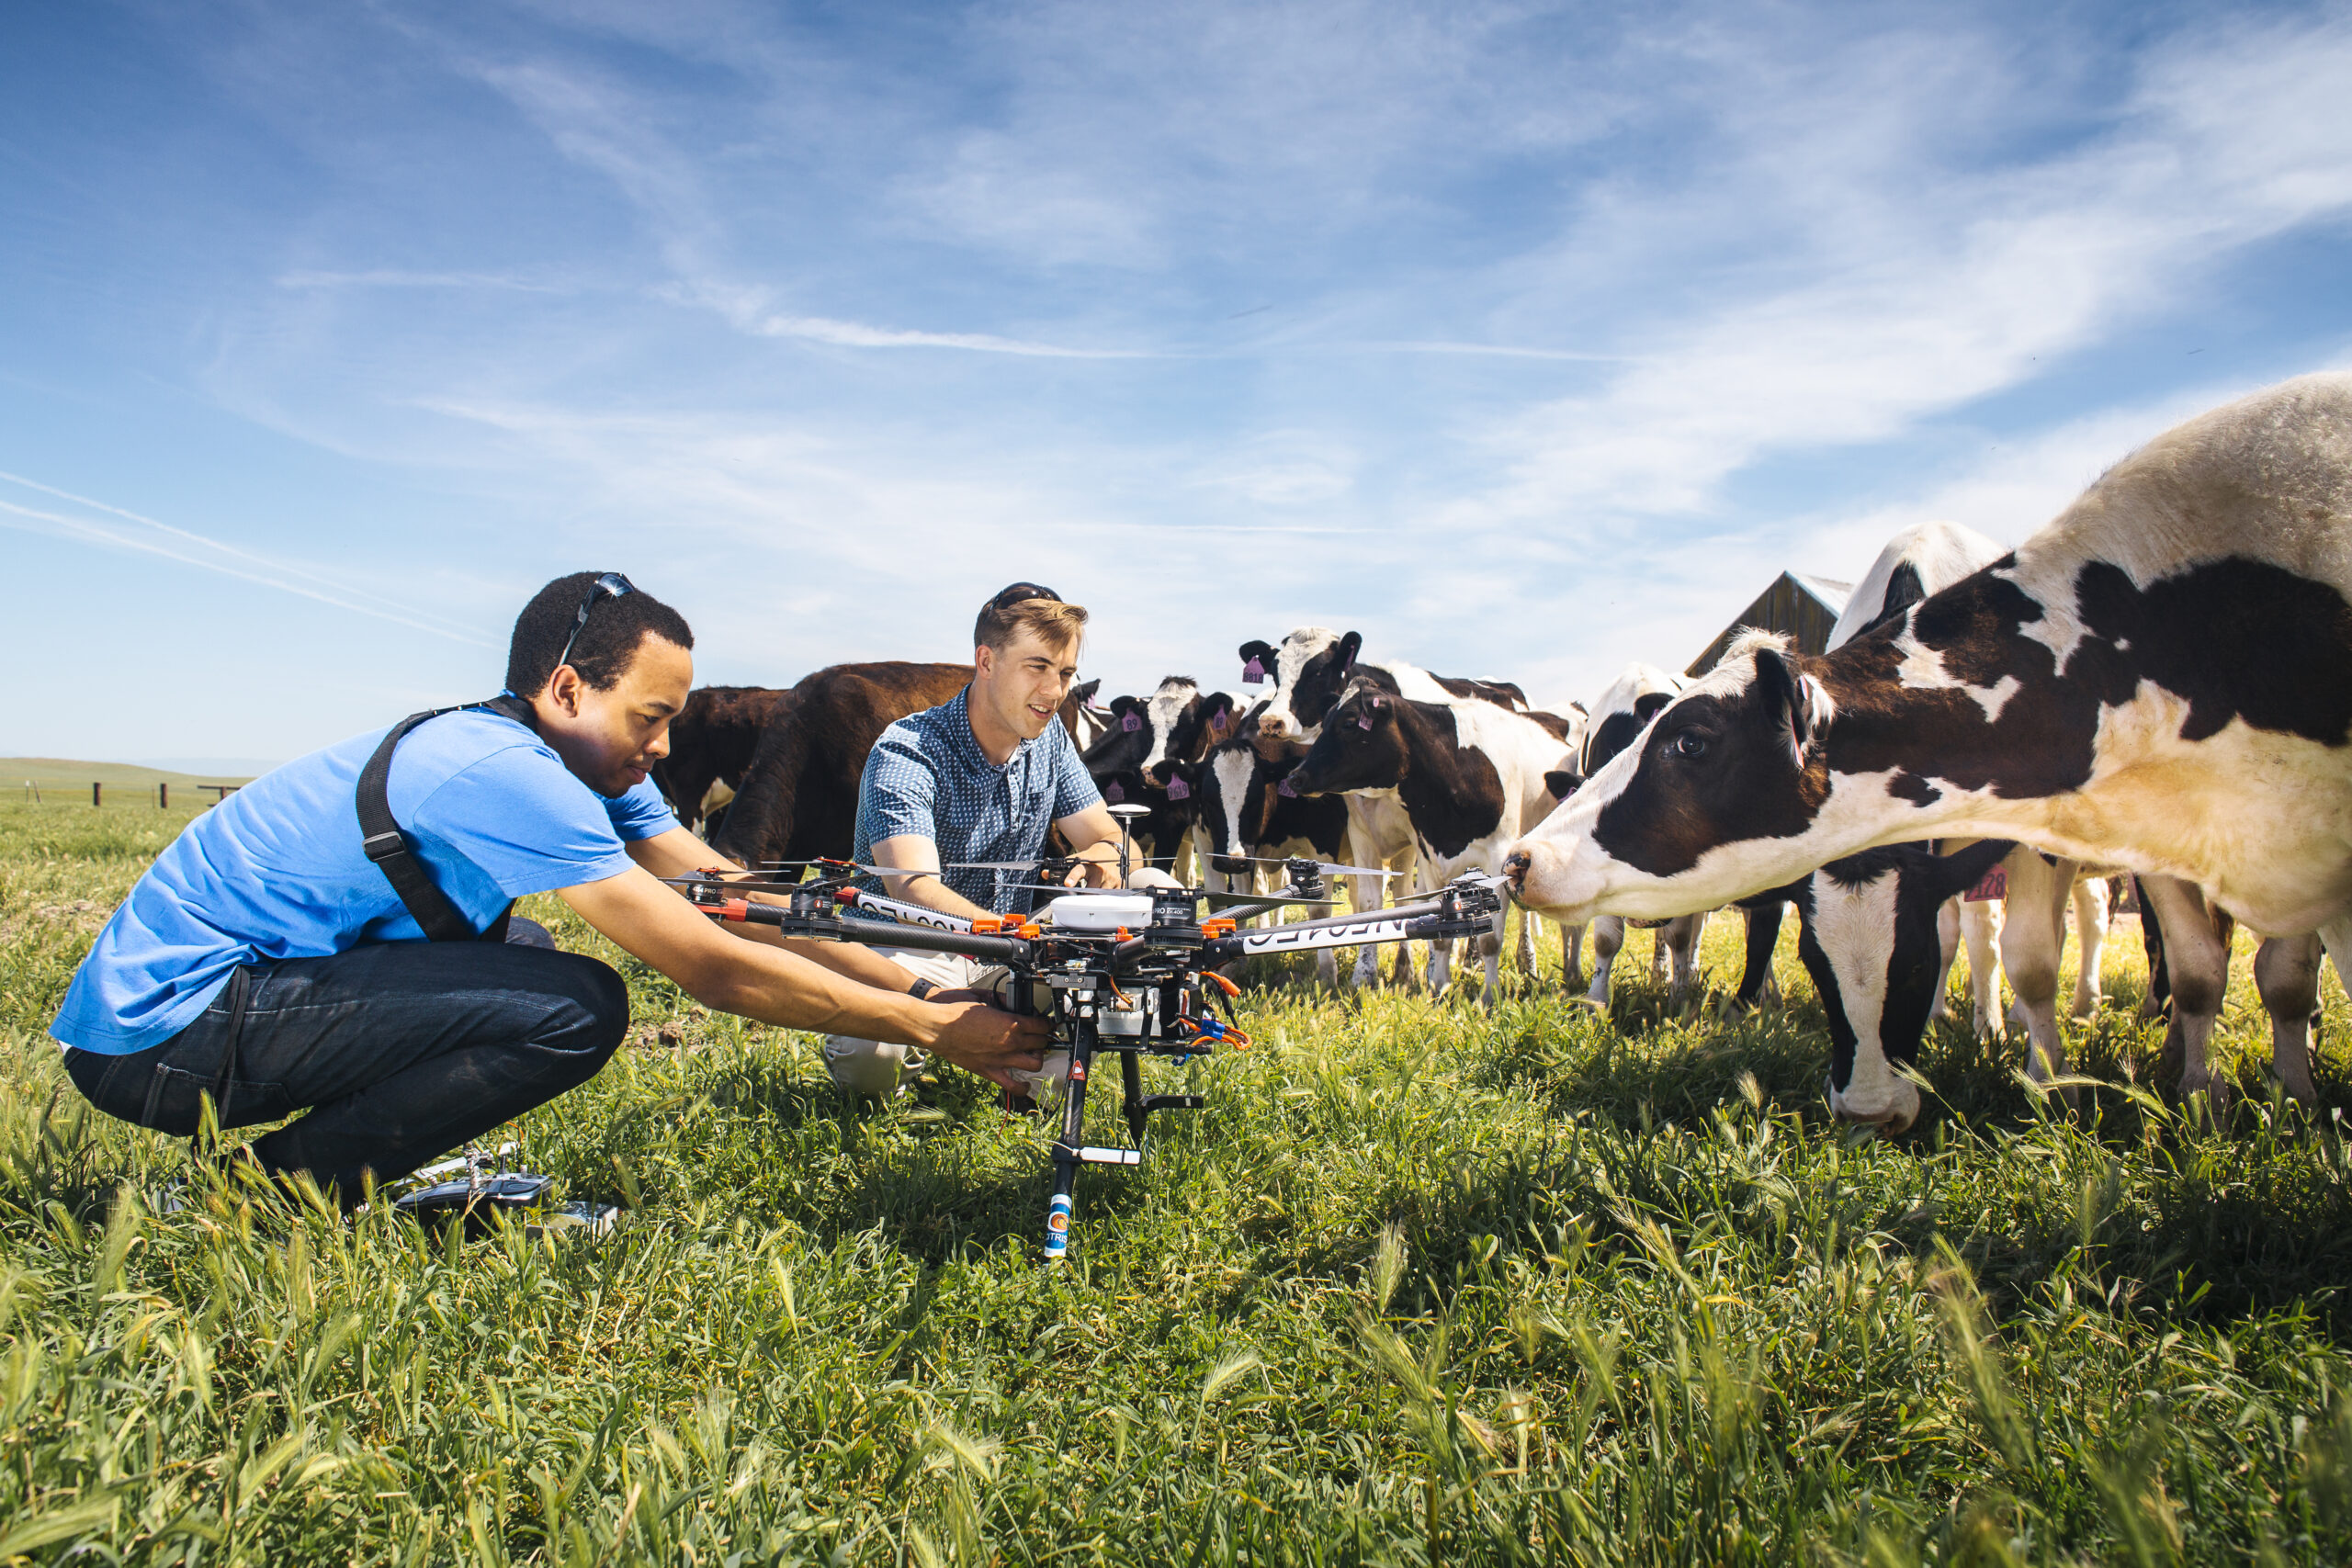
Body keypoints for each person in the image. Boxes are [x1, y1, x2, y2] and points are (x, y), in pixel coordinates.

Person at [50, 571, 1049, 1202]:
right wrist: (930, 1034)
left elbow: (730, 895)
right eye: (650, 720)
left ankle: (323, 1174)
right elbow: (711, 966)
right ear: (567, 692)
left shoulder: (575, 764)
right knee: (575, 1006)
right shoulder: (502, 771)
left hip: (225, 1009)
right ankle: (265, 1195)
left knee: (523, 962)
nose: (664, 749)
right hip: (159, 1041)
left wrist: (928, 988)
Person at [823, 582, 1172, 1098]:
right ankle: (961, 1035)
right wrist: (1020, 941)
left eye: (1066, 673)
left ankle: (1032, 1032)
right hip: (912, 948)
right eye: (1037, 667)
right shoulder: (908, 750)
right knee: (869, 1064)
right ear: (986, 662)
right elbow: (913, 889)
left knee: (1150, 883)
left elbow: (1116, 841)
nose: (1054, 692)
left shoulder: (1050, 739)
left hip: (1012, 953)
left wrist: (1102, 856)